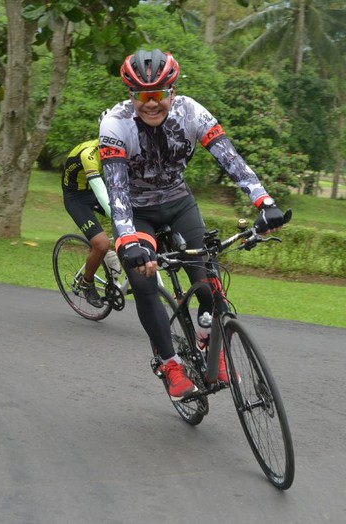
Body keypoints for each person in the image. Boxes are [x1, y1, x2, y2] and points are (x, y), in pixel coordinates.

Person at [99, 49, 288, 400]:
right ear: (131, 95)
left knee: (207, 280)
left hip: (177, 202)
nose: (151, 103)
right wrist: (128, 239)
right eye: (142, 95)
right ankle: (169, 364)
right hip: (137, 212)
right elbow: (117, 188)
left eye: (160, 94)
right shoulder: (115, 124)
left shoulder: (192, 112)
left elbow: (229, 158)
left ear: (173, 90)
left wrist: (265, 202)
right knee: (143, 280)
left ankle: (210, 341)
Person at [61, 133, 115, 307]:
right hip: (76, 198)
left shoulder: (121, 149)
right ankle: (87, 282)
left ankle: (113, 261)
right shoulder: (89, 154)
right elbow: (100, 191)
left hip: (93, 189)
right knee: (101, 244)